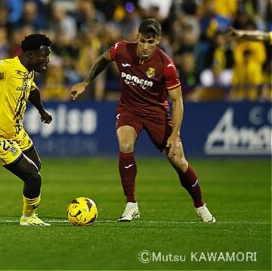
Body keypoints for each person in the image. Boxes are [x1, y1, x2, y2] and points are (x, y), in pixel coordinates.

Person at [70, 19, 216, 223]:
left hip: (156, 113)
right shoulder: (121, 49)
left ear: (158, 41)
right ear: (136, 37)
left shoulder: (166, 65)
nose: (146, 47)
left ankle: (200, 205)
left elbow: (178, 101)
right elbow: (103, 59)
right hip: (129, 109)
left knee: (178, 161)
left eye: (151, 42)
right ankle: (131, 204)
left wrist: (175, 135)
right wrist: (86, 82)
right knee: (125, 144)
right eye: (143, 41)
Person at [0, 33, 53, 226]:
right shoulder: (7, 67)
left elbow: (32, 90)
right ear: (31, 55)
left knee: (36, 167)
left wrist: (42, 111)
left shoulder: (28, 71)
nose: (48, 60)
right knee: (33, 177)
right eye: (45, 55)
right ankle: (28, 218)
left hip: (15, 131)